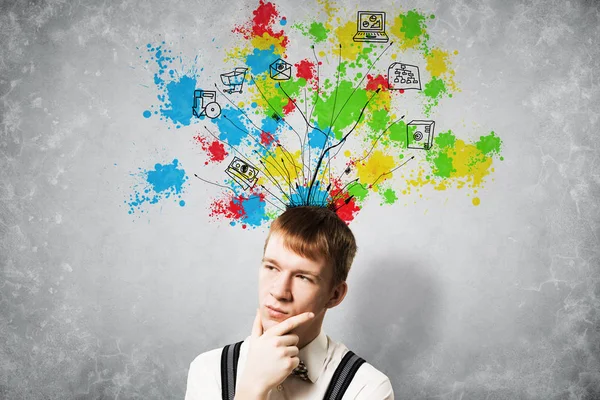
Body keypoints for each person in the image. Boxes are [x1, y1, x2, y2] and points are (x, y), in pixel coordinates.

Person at [185, 206, 394, 399]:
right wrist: (251, 389)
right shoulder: (209, 369)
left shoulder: (366, 387)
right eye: (271, 268)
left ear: (335, 295)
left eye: (303, 277)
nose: (278, 292)